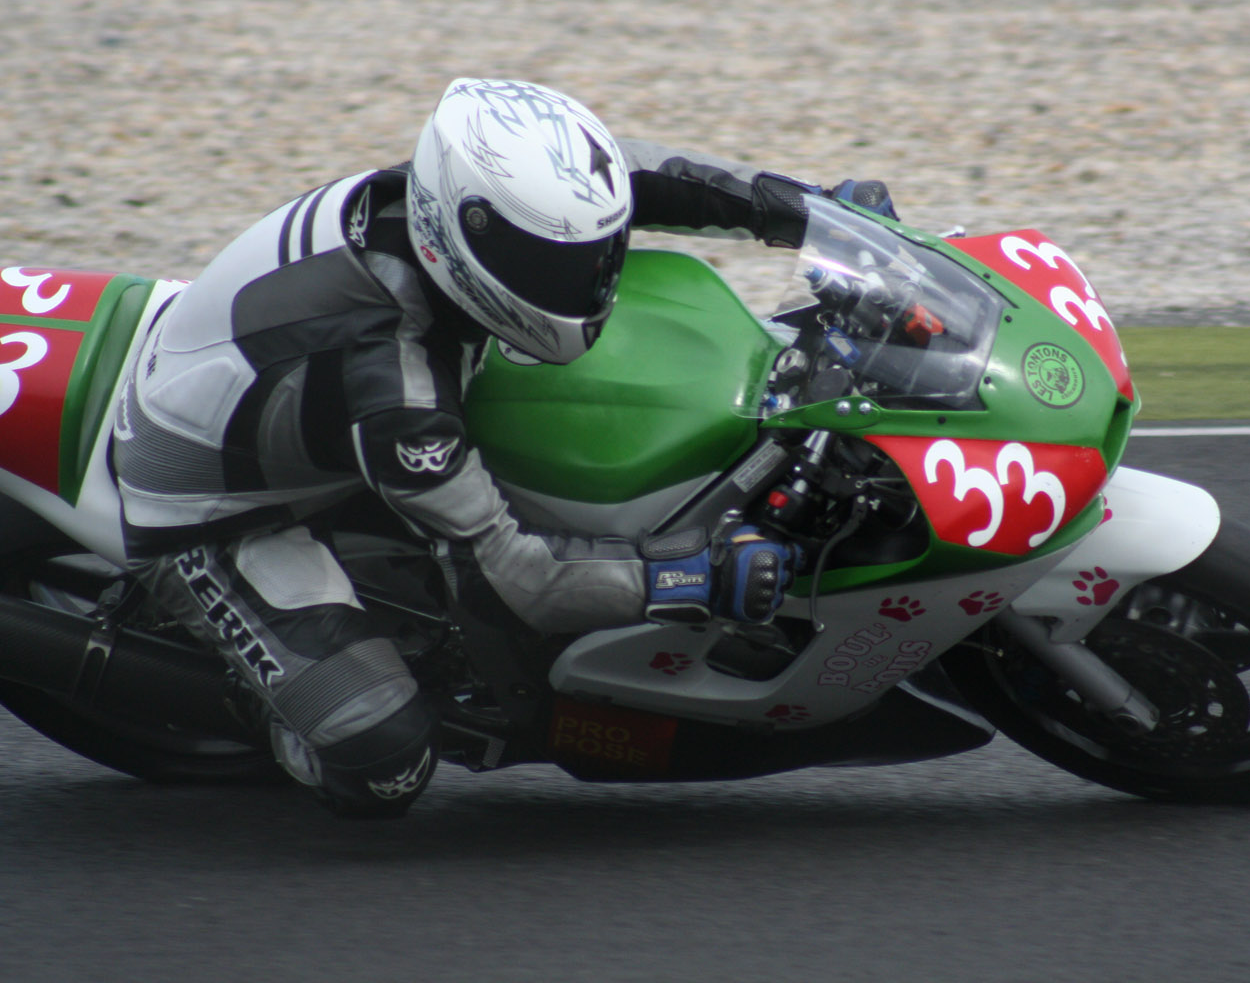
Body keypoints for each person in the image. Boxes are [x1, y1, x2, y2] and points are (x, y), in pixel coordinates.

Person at [110, 78, 897, 817]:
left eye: (594, 255)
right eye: (559, 268)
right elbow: (521, 578)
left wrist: (816, 212)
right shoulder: (397, 383)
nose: (591, 279)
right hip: (214, 510)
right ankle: (263, 699)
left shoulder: (470, 194)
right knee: (384, 761)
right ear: (469, 244)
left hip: (269, 383)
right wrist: (696, 574)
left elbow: (646, 178)